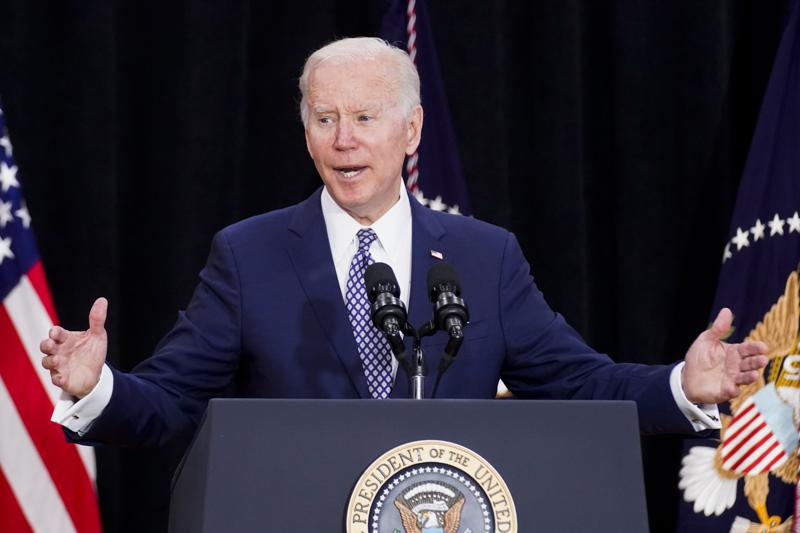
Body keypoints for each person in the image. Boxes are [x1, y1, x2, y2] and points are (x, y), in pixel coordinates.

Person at [40, 37, 767, 447]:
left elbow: (584, 383)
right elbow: (169, 401)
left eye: (365, 116)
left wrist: (684, 383)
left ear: (410, 130)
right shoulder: (249, 254)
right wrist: (95, 386)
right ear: (305, 132)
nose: (344, 139)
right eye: (324, 118)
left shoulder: (485, 258)